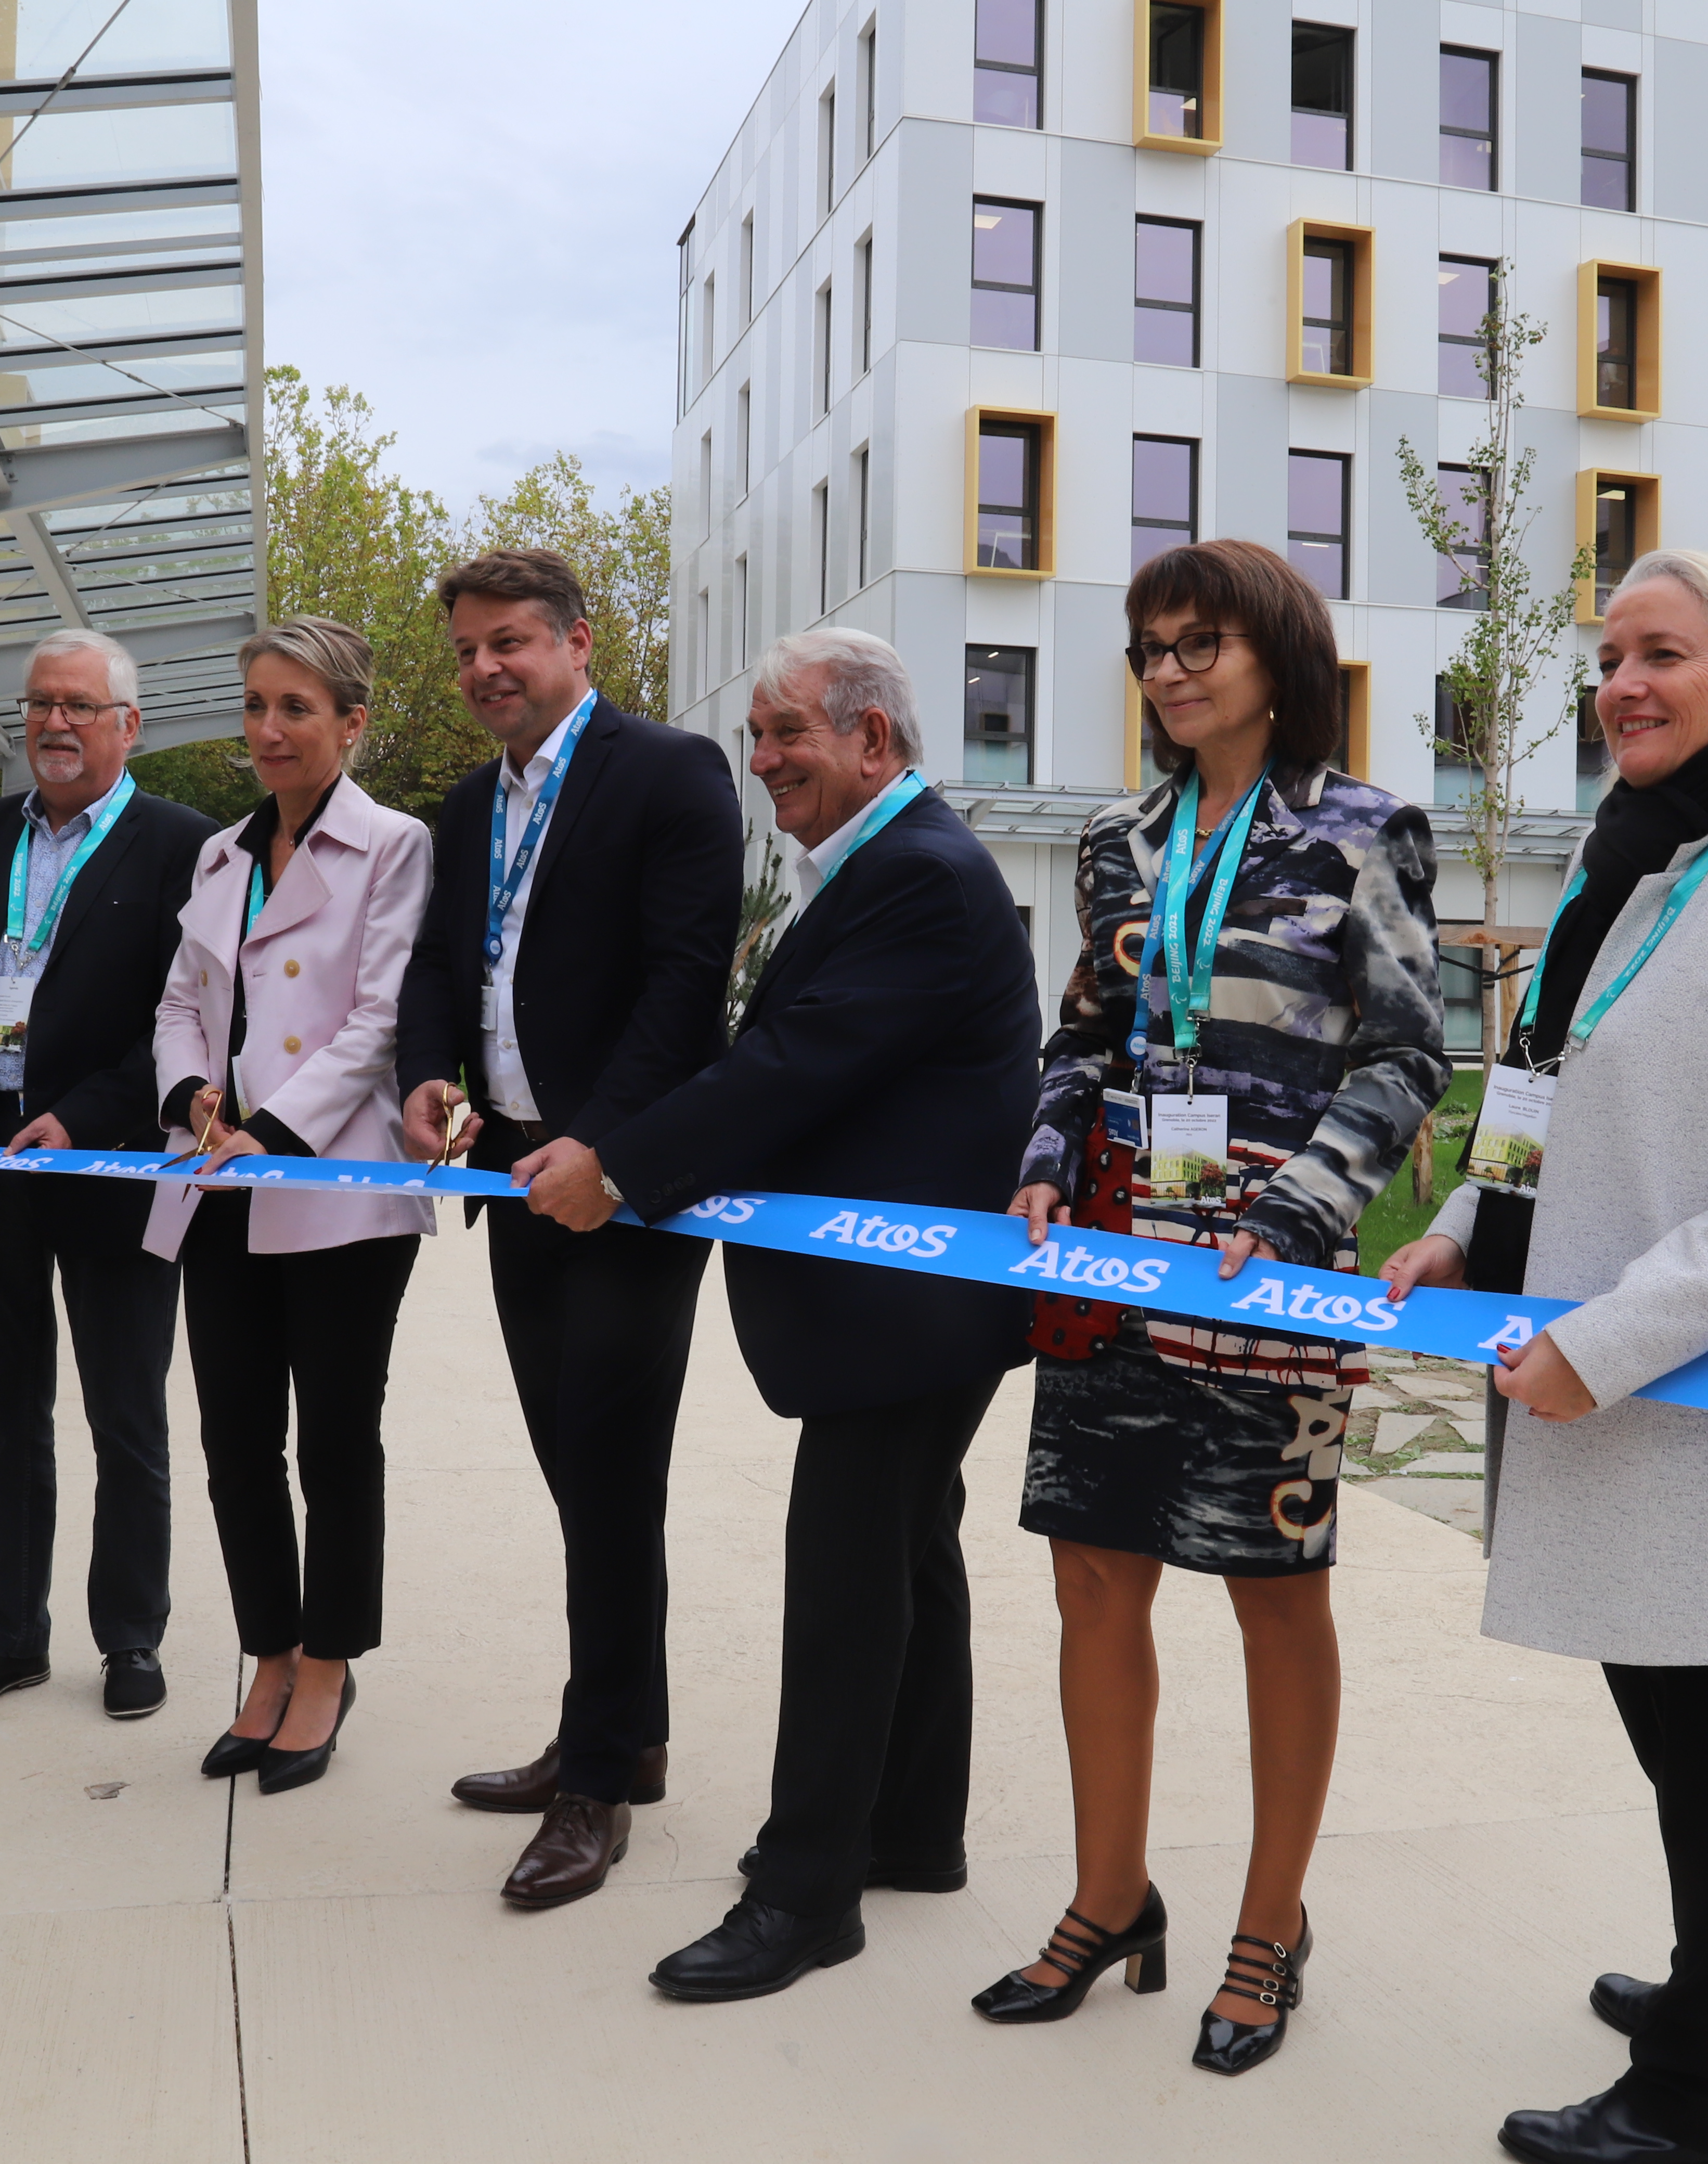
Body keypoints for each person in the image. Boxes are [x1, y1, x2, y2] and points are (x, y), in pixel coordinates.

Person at [1378, 548, 1708, 2164]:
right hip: (1611, 1393)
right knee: (1683, 1743)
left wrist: (1604, 1343)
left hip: (1702, 1401)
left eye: (1662, 653)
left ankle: (1698, 2102)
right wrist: (1466, 1226)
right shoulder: (1644, 866)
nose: (1622, 683)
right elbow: (1543, 1102)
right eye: (1609, 656)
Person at [507, 628, 1039, 2000]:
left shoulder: (919, 874)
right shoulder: (877, 866)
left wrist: (619, 1163)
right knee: (912, 1554)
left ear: (874, 740)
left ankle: (806, 1895)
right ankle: (913, 1835)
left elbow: (794, 1067)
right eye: (756, 734)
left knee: (850, 1579)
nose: (763, 760)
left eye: (788, 732)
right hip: (909, 1301)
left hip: (903, 1304)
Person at [988, 538, 1445, 2075]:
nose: (1173, 673)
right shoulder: (1120, 841)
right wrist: (1047, 1165)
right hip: (1116, 1266)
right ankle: (1111, 1896)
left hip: (1275, 1279)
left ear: (1278, 657)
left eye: (1203, 646)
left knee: (1271, 1596)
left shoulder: (1365, 831)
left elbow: (1404, 1058)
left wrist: (1306, 1205)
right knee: (1095, 1584)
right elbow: (1083, 1040)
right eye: (1151, 651)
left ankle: (1270, 1925)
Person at [395, 547, 741, 1909]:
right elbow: (440, 968)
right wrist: (428, 1075)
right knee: (575, 1478)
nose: (486, 669)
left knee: (610, 1480)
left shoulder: (671, 773)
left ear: (579, 644)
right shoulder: (470, 805)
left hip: (626, 1184)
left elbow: (683, 980)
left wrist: (610, 1148)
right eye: (469, 650)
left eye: (512, 644)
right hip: (517, 1178)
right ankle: (617, 1732)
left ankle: (600, 1780)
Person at [0, 629, 217, 1722]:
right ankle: (9, 1632)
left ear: (127, 725)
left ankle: (132, 1638)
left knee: (127, 1418)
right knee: (2, 1416)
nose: (53, 724)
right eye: (39, 705)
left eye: (77, 705)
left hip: (106, 1167)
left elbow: (185, 1022)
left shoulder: (181, 846)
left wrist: (89, 1115)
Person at [142, 619, 433, 1797]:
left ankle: (328, 1662)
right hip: (216, 1179)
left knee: (335, 1442)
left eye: (297, 708)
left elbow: (376, 1020)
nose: (269, 729)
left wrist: (275, 1130)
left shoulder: (395, 846)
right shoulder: (219, 857)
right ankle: (266, 1654)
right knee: (233, 1442)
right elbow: (177, 1002)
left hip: (334, 1188)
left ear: (352, 723)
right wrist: (190, 1092)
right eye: (257, 704)